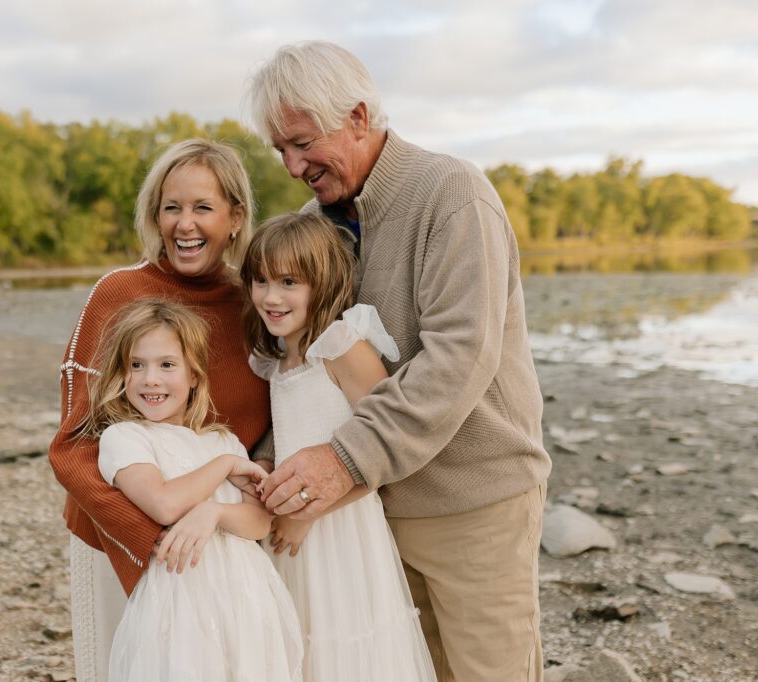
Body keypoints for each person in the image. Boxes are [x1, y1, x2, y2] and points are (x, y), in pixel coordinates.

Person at [245, 41, 552, 681]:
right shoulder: (312, 227)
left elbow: (459, 358)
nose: (293, 164)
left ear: (358, 117)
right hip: (368, 514)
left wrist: (342, 460)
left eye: (302, 143)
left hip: (472, 503)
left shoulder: (451, 194)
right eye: (281, 150)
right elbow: (302, 365)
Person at [48, 139, 272, 682]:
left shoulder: (256, 306)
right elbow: (73, 445)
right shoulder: (118, 292)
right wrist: (146, 539)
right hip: (121, 532)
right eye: (171, 207)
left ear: (236, 217)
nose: (184, 224)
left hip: (220, 542)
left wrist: (229, 518)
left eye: (203, 207)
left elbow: (261, 438)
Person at [242, 212, 436, 681]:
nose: (271, 296)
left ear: (322, 282)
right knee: (299, 646)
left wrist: (307, 514)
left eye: (289, 281)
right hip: (290, 524)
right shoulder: (277, 359)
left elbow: (381, 449)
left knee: (345, 647)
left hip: (340, 525)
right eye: (261, 280)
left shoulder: (342, 346)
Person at [77, 299, 302, 681]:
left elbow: (259, 523)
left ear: (194, 375)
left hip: (245, 596)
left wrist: (214, 512)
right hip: (181, 601)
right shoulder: (125, 437)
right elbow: (163, 504)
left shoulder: (222, 439)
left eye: (167, 365)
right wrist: (226, 466)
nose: (151, 379)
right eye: (137, 365)